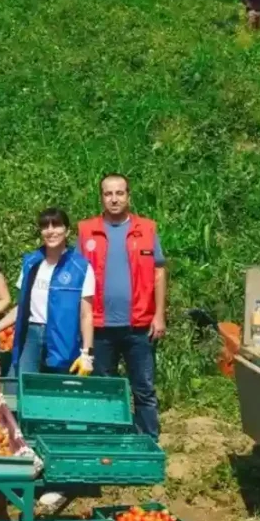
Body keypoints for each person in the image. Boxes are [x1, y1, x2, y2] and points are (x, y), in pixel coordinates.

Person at [78, 173, 166, 441]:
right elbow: (78, 275)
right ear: (101, 198)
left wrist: (159, 315)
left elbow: (159, 273)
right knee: (104, 388)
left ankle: (148, 441)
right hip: (100, 325)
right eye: (108, 194)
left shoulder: (147, 229)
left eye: (119, 193)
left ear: (128, 196)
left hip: (139, 324)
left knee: (144, 388)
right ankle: (110, 439)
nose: (114, 199)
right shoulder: (86, 230)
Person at [0, 208, 95, 377]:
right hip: (31, 334)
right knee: (21, 382)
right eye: (45, 226)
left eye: (56, 225)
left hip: (63, 337)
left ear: (67, 231)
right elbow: (22, 306)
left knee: (59, 387)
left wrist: (87, 354)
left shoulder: (81, 267)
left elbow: (86, 315)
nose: (50, 231)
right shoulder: (31, 263)